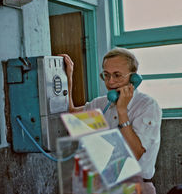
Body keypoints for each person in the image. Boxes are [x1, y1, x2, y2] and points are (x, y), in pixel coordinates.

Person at [61, 47, 162, 194]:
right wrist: (68, 77)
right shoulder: (100, 104)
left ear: (133, 78)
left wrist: (122, 111)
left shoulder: (147, 106)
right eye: (106, 75)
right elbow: (70, 116)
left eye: (117, 75)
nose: (110, 82)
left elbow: (134, 153)